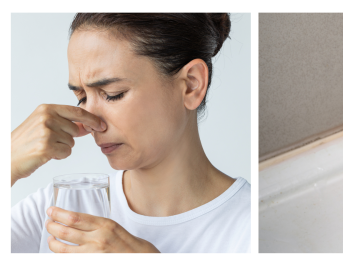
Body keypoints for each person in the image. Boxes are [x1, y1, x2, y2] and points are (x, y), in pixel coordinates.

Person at [10, 13, 250, 253]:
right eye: (81, 97)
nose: (92, 122)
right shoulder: (63, 209)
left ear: (191, 85)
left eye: (113, 93)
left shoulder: (247, 229)